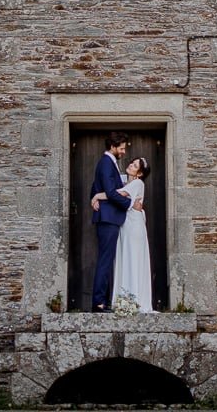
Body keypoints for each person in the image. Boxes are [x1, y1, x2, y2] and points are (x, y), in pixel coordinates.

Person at [99, 157, 153, 313]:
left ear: (140, 173)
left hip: (134, 226)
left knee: (132, 259)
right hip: (125, 225)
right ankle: (124, 299)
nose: (131, 165)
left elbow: (116, 194)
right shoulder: (125, 180)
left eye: (135, 165)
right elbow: (115, 186)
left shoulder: (137, 183)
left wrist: (96, 196)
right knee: (124, 258)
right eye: (132, 162)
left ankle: (135, 299)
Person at [88, 131, 132, 312]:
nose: (123, 152)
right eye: (121, 148)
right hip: (108, 218)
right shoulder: (106, 163)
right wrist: (129, 203)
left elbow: (95, 188)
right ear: (113, 147)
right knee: (105, 260)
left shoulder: (109, 164)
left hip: (108, 217)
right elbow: (111, 192)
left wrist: (96, 196)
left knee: (107, 259)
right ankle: (98, 302)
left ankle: (103, 301)